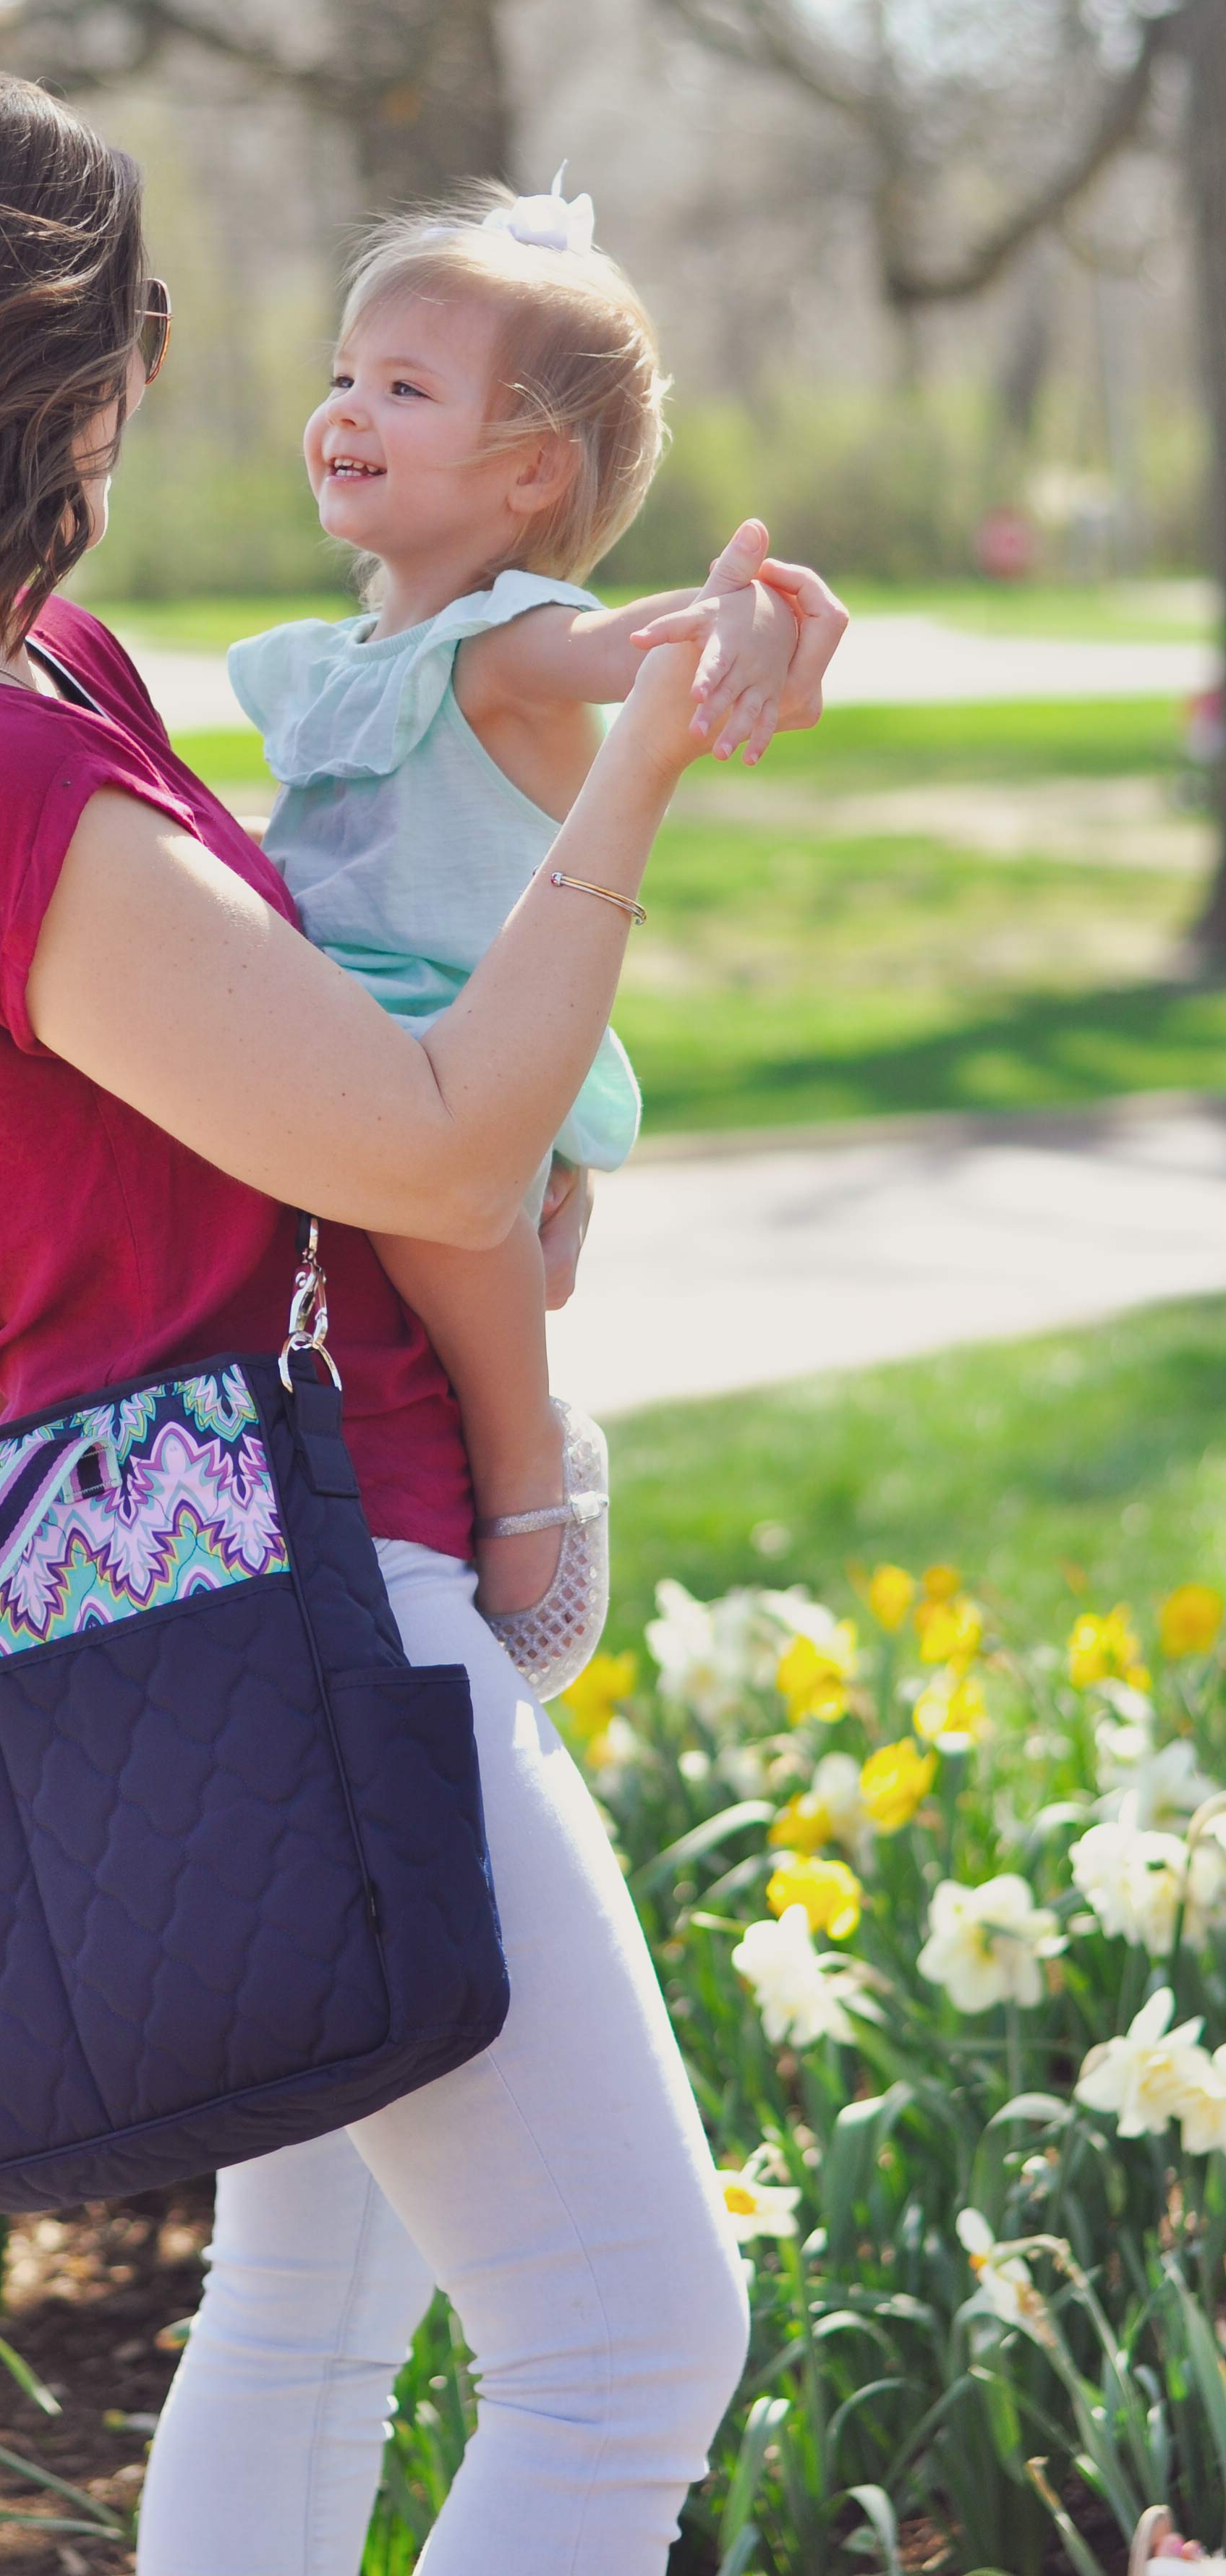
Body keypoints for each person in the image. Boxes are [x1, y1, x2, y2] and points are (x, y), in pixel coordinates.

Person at [0, 61, 847, 2575]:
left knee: (304, 2319)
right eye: (130, 324)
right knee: (632, 2335)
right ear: (33, 361)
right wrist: (627, 782)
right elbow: (420, 1133)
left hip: (184, 1597)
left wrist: (615, 665)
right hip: (312, 1599)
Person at [229, 174, 809, 1699]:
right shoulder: (337, 657)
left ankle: (523, 1461)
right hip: (340, 1019)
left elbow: (639, 643)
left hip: (464, 1037)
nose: (345, 406)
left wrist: (731, 620)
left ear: (528, 473)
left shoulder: (507, 645)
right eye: (343, 375)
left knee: (442, 1199)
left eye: (404, 387)